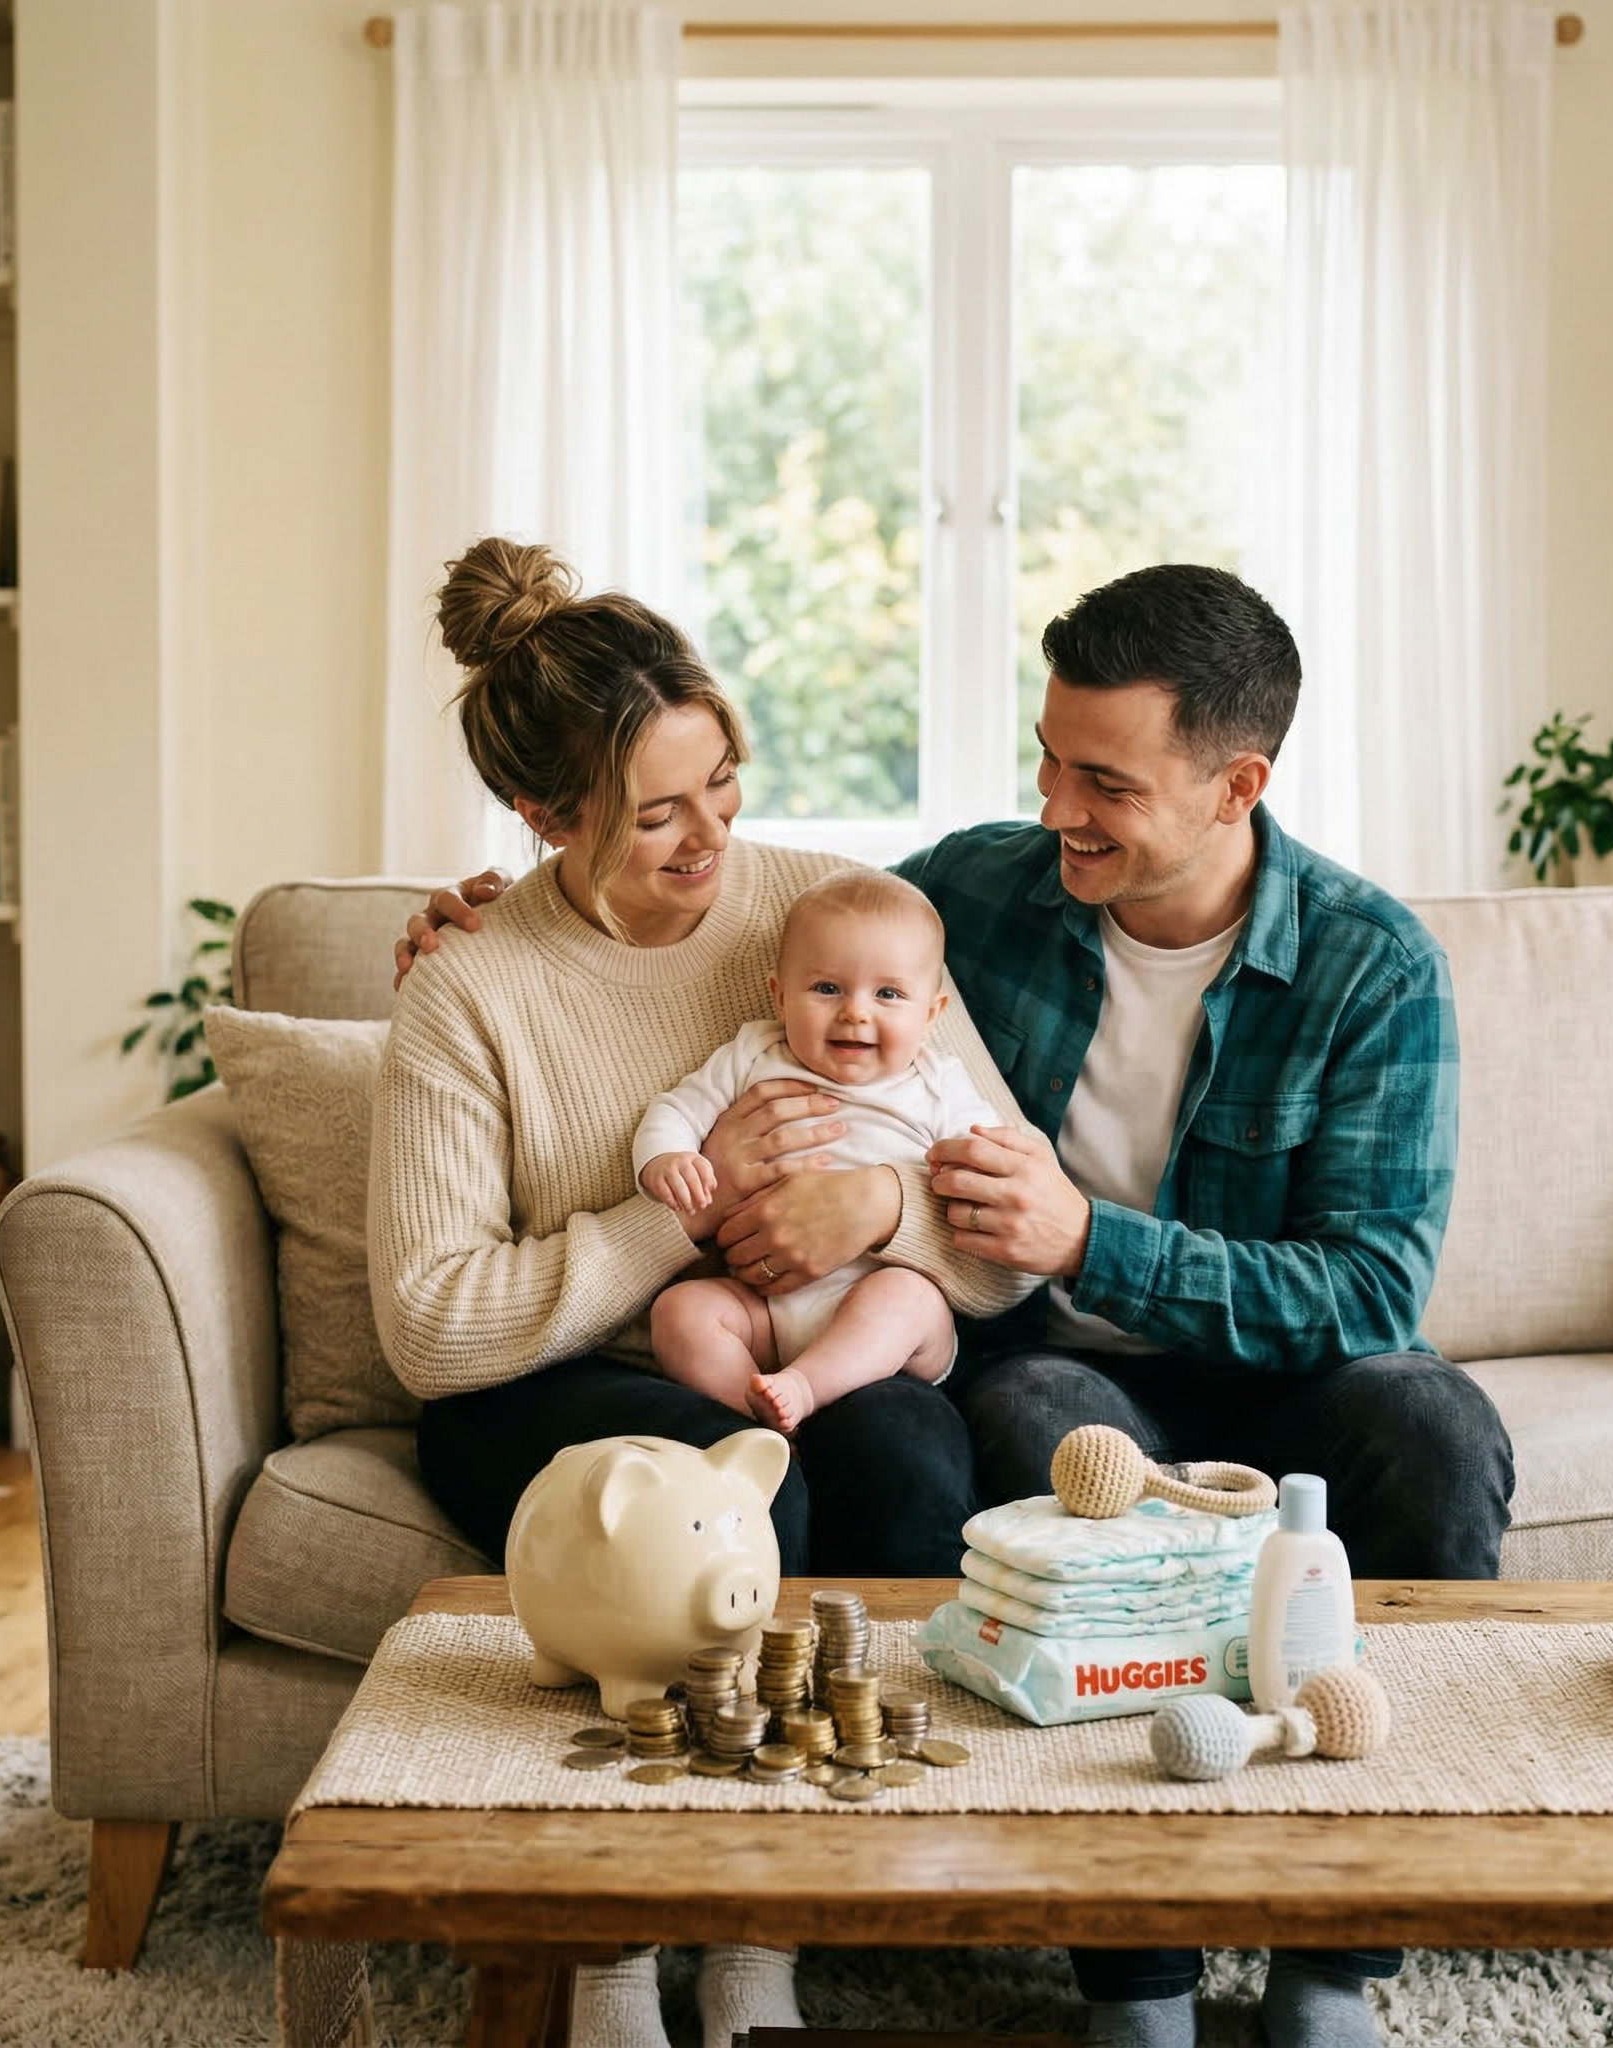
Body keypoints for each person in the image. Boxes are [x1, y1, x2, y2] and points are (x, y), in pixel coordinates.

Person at [396, 560, 1516, 2048]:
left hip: (1252, 1351)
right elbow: (794, 972)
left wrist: (1029, 1229)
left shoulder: (1370, 966)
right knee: (1035, 1433)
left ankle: (1338, 1955)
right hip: (1038, 1362)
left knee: (1432, 1431)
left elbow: (1370, 1284)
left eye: (1101, 779)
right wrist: (472, 930)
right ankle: (1133, 1972)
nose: (1056, 808)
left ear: (1237, 782)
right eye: (1046, 760)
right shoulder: (971, 893)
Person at [372, 533, 1036, 2048]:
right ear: (546, 815)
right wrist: (673, 1220)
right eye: (656, 814)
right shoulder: (469, 983)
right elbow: (427, 1318)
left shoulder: (821, 917)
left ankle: (766, 1924)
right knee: (717, 1506)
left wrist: (878, 1200)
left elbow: (1007, 1219)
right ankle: (618, 1937)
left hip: (800, 1342)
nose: (710, 838)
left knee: (914, 1455)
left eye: (722, 782)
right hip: (547, 1377)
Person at [636, 867, 1004, 1433]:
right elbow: (676, 1109)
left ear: (931, 1015)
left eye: (888, 994)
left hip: (878, 1308)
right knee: (680, 1314)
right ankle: (758, 1428)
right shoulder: (755, 1054)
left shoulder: (939, 1085)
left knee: (906, 1296)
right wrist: (667, 1158)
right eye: (827, 988)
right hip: (761, 1308)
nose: (856, 1011)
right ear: (780, 997)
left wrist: (895, 1200)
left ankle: (805, 1386)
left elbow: (992, 1181)